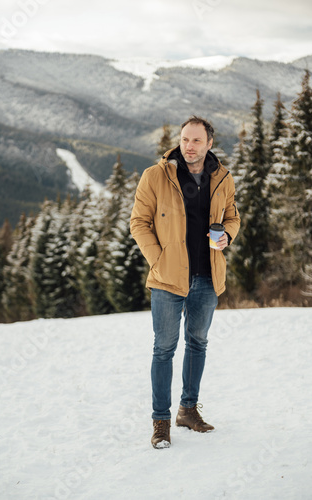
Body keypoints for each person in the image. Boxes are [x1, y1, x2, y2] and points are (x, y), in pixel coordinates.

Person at [130, 115, 240, 449]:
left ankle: (188, 410)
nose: (188, 147)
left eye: (196, 141)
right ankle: (160, 421)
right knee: (163, 348)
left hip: (207, 276)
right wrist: (158, 260)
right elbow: (139, 222)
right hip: (167, 278)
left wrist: (227, 237)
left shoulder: (222, 178)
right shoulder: (156, 175)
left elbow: (232, 216)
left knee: (198, 343)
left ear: (209, 143)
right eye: (184, 139)